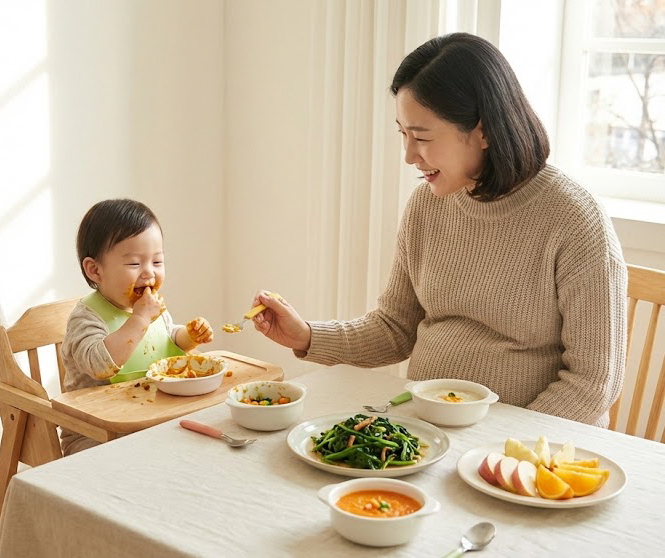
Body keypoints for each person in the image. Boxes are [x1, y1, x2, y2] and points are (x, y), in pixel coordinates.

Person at [251, 33, 627, 428]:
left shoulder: (574, 220)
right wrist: (307, 336)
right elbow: (395, 328)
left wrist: (499, 448)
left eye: (423, 137)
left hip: (525, 452)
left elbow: (592, 383)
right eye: (403, 134)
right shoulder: (428, 204)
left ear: (483, 131)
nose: (409, 156)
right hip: (428, 430)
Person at [60, 198, 214, 454]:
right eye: (134, 263)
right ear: (95, 270)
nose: (148, 273)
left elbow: (166, 341)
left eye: (157, 262)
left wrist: (188, 336)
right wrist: (140, 319)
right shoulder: (87, 318)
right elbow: (100, 365)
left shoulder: (150, 306)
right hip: (96, 432)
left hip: (149, 418)